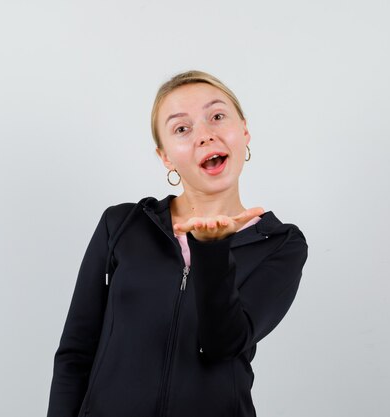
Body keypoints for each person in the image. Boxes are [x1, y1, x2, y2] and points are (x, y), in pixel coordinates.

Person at [46, 70, 309, 417]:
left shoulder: (279, 243)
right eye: (182, 129)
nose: (205, 135)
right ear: (166, 157)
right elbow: (76, 353)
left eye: (217, 116)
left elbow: (222, 346)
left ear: (244, 131)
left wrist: (212, 250)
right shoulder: (123, 225)